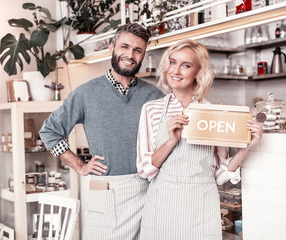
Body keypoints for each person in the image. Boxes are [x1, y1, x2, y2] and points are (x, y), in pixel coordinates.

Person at [39, 23, 165, 240]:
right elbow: (50, 132)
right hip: (106, 191)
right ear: (112, 47)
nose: (130, 54)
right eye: (124, 46)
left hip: (148, 190)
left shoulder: (155, 96)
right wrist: (79, 164)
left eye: (138, 50)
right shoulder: (86, 94)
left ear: (143, 55)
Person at [136, 39, 262, 240]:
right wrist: (170, 142)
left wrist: (245, 147)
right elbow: (144, 170)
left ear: (199, 72)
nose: (176, 71)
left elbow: (221, 175)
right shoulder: (152, 110)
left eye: (186, 65)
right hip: (162, 207)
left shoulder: (214, 112)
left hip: (200, 208)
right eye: (172, 62)